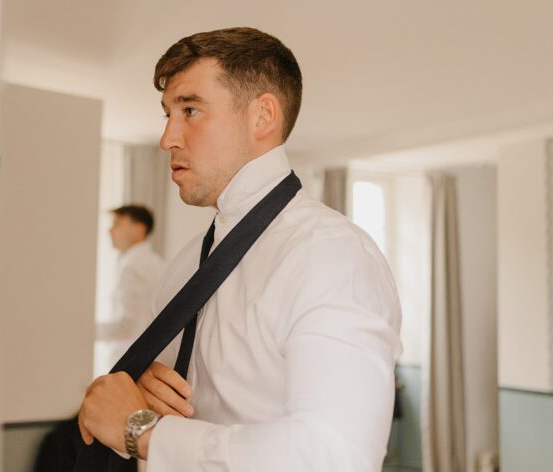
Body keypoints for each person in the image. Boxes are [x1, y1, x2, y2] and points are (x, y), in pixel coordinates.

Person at [76, 27, 403, 471]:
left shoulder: (332, 256)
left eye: (190, 110)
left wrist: (144, 432)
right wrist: (139, 401)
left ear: (262, 116)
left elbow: (334, 455)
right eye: (168, 114)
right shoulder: (185, 268)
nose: (167, 138)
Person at [96, 205, 166, 376]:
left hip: (129, 365)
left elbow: (128, 326)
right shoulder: (152, 262)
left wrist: (83, 330)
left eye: (117, 223)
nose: (110, 230)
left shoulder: (135, 267)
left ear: (139, 229)